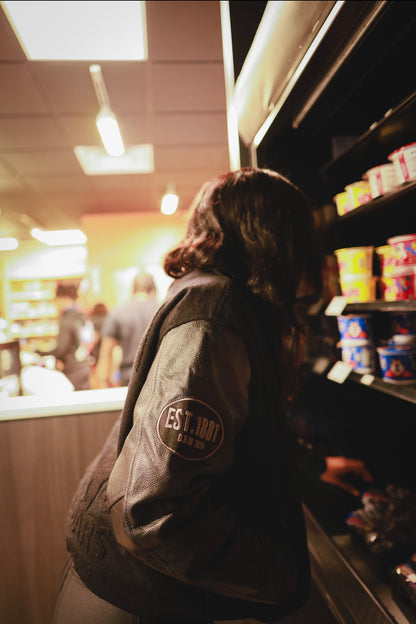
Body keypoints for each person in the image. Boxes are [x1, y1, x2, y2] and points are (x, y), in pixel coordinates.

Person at [53, 167, 371, 624]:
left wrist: (316, 467)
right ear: (276, 238)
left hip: (128, 585)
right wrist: (282, 577)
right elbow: (154, 512)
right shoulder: (215, 318)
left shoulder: (214, 298)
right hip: (133, 600)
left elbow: (235, 436)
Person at [96, 272, 158, 388]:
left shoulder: (118, 312)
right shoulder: (161, 309)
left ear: (133, 289)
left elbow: (106, 352)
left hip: (129, 379)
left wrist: (103, 382)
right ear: (152, 289)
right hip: (157, 378)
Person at [37, 282, 93, 391]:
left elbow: (60, 349)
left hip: (73, 369)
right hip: (84, 365)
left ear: (63, 299)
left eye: (56, 300)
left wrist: (38, 352)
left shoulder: (66, 320)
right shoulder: (81, 316)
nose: (55, 304)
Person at [88, 302, 109, 389]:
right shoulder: (108, 319)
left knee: (98, 377)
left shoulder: (94, 321)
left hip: (98, 352)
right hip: (109, 352)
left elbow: (94, 339)